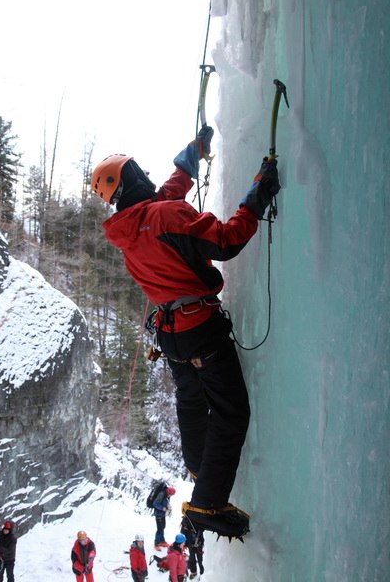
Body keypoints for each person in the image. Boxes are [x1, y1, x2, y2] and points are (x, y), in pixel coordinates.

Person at [91, 125, 280, 538]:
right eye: (139, 172)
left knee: (191, 398)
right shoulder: (164, 216)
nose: (146, 177)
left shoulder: (130, 230)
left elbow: (164, 198)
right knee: (231, 411)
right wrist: (258, 194)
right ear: (133, 180)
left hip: (171, 335)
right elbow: (225, 241)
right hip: (200, 328)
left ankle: (197, 466)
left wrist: (191, 155)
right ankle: (207, 503)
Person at [153, 485, 175, 550]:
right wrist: (162, 508)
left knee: (163, 527)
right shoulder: (161, 494)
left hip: (162, 514)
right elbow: (155, 503)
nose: (171, 496)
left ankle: (162, 541)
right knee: (159, 528)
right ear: (169, 492)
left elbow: (165, 502)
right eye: (171, 494)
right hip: (158, 514)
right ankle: (156, 543)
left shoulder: (166, 495)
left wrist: (168, 507)